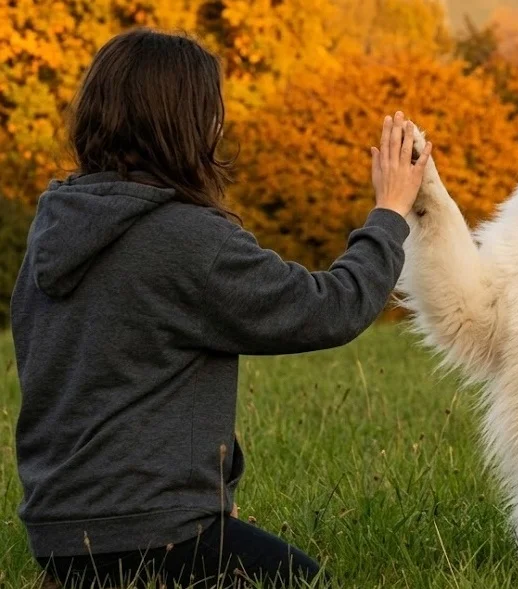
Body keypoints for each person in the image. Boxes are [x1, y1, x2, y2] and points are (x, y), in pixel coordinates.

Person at [11, 28, 431, 589]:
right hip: (149, 535)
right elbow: (331, 307)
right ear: (185, 125)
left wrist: (201, 497)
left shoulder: (54, 226)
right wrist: (390, 211)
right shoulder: (184, 238)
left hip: (59, 539)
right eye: (211, 114)